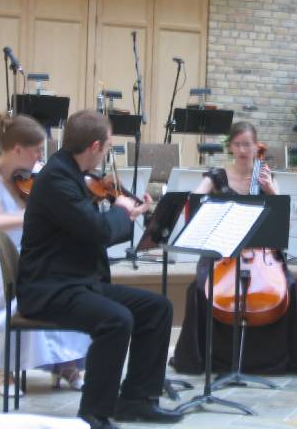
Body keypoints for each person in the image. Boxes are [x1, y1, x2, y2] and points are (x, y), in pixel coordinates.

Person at [16, 110, 182, 429]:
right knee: (116, 321)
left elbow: (89, 228)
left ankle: (137, 400)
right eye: (107, 146)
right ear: (94, 146)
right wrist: (122, 212)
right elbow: (97, 232)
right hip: (49, 289)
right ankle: (94, 414)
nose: (107, 152)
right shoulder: (56, 180)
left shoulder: (71, 173)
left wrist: (126, 213)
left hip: (77, 282)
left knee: (157, 308)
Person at [171, 121, 297, 376]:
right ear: (230, 147)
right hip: (222, 254)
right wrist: (201, 197)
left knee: (292, 286)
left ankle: (292, 358)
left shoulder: (265, 175)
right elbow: (195, 200)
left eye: (247, 144)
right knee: (198, 288)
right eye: (237, 144)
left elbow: (281, 216)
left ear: (256, 145)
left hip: (261, 252)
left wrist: (270, 189)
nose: (242, 150)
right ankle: (200, 357)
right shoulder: (217, 175)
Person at [0, 114, 90, 396]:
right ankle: (3, 372)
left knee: (67, 285)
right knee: (29, 292)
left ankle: (66, 363)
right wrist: (33, 214)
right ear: (17, 149)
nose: (41, 156)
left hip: (25, 264)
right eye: (37, 151)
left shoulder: (35, 177)